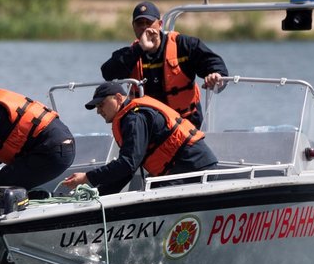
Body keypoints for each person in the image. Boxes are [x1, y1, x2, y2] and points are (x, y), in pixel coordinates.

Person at [61, 83, 218, 196]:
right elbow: (127, 169)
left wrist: (88, 178)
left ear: (118, 98)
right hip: (186, 169)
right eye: (97, 107)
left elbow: (127, 164)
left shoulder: (134, 118)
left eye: (101, 104)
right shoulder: (131, 117)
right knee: (151, 190)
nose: (98, 111)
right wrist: (98, 195)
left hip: (196, 168)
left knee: (153, 195)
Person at [100, 0, 228, 129]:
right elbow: (108, 73)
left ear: (160, 24)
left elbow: (213, 63)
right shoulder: (129, 54)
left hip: (185, 124)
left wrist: (216, 75)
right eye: (140, 23)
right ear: (133, 27)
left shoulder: (184, 46)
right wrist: (140, 48)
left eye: (149, 23)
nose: (145, 28)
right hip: (150, 127)